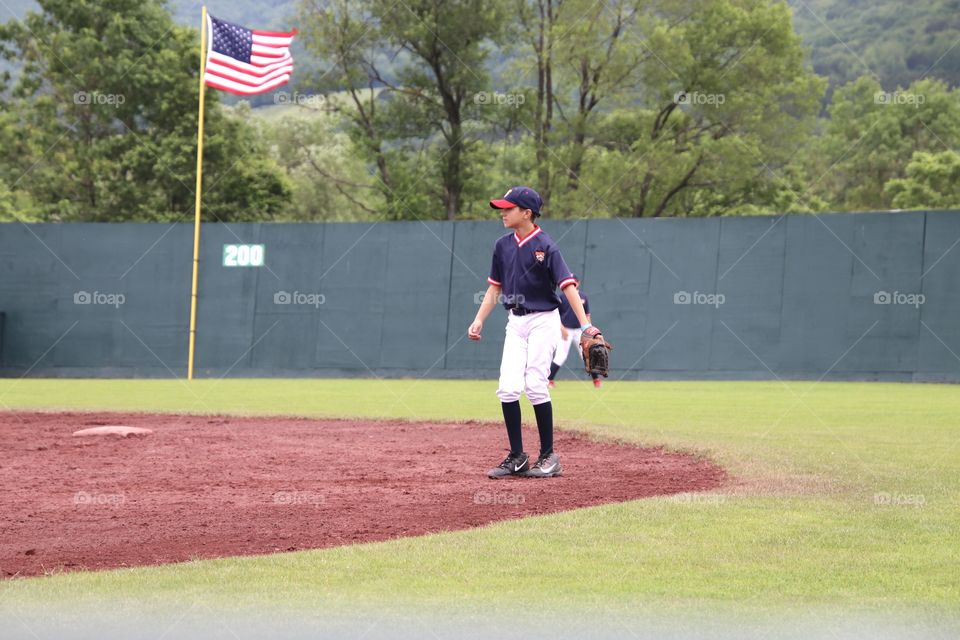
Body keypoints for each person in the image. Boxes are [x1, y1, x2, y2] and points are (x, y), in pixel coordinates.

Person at [467, 186, 605, 479]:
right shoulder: (502, 245)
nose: (502, 213)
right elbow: (495, 286)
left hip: (544, 320)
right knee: (507, 388)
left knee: (535, 385)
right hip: (515, 322)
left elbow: (568, 285)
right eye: (502, 208)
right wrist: (479, 319)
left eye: (508, 208)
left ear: (526, 213)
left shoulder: (546, 246)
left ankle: (549, 456)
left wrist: (585, 326)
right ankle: (517, 457)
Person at [549, 289, 602, 388]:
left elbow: (587, 315)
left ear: (578, 283)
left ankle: (596, 380)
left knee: (586, 354)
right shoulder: (561, 297)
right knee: (560, 356)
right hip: (565, 330)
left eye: (574, 282)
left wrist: (589, 331)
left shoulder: (583, 296)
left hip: (579, 330)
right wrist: (561, 328)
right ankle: (549, 380)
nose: (572, 284)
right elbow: (556, 315)